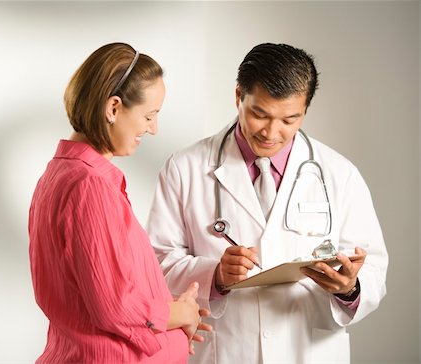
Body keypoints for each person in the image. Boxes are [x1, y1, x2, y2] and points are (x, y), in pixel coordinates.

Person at [147, 43, 388, 364]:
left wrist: (349, 288)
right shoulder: (184, 167)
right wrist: (215, 275)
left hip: (308, 351)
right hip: (227, 351)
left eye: (290, 119)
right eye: (259, 114)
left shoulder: (339, 173)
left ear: (305, 110)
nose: (272, 132)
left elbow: (372, 267)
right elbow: (156, 266)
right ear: (238, 97)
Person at [28, 42, 211, 364]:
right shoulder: (89, 186)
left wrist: (168, 320)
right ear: (113, 108)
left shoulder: (61, 174)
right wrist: (179, 312)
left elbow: (102, 293)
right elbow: (115, 307)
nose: (153, 128)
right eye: (149, 115)